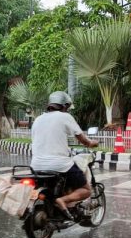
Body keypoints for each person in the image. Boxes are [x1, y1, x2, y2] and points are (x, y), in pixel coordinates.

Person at [29, 91, 99, 220]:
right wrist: (92, 143)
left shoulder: (38, 119)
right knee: (86, 190)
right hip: (59, 165)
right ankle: (63, 200)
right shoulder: (65, 117)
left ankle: (57, 205)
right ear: (64, 106)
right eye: (67, 107)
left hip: (36, 166)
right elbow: (84, 140)